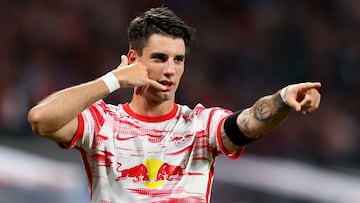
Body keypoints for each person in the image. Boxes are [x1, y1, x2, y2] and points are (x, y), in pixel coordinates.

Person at [28, 6, 321, 203]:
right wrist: (113, 80)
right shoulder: (103, 122)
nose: (170, 70)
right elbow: (41, 119)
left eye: (178, 60)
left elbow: (249, 122)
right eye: (159, 58)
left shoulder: (201, 126)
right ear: (133, 61)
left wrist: (283, 99)